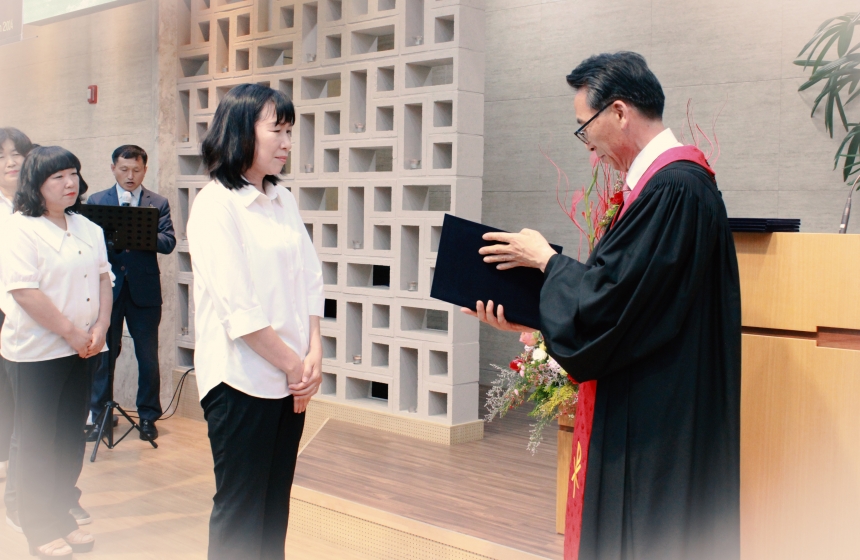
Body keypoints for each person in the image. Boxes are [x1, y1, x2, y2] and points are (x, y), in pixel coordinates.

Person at [466, 52, 741, 560]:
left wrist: (546, 261)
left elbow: (613, 301)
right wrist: (532, 316)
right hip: (659, 400)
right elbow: (630, 302)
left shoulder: (674, 187)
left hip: (656, 420)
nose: (588, 145)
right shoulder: (671, 186)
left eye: (584, 127)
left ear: (618, 112)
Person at [187, 83, 324, 560]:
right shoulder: (215, 205)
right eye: (277, 131)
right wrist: (295, 366)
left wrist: (314, 353)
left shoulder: (282, 199)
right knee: (241, 509)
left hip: (289, 380)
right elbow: (239, 309)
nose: (287, 143)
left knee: (273, 504)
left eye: (290, 132)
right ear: (242, 131)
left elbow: (310, 280)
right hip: (241, 380)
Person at [1, 146, 113, 558]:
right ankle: (37, 526)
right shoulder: (20, 228)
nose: (70, 183)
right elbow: (24, 292)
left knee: (68, 438)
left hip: (83, 349)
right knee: (36, 441)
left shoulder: (88, 227)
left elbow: (104, 279)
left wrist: (100, 327)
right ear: (36, 184)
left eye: (73, 174)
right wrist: (70, 332)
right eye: (58, 177)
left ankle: (61, 514)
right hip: (35, 352)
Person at [87, 145, 175, 442]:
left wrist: (136, 230)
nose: (130, 176)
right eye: (124, 169)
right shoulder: (97, 200)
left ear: (145, 170)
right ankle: (100, 416)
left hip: (144, 292)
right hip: (108, 291)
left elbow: (168, 242)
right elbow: (89, 244)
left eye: (136, 170)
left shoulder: (157, 202)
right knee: (104, 356)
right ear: (113, 168)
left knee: (147, 357)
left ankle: (148, 416)